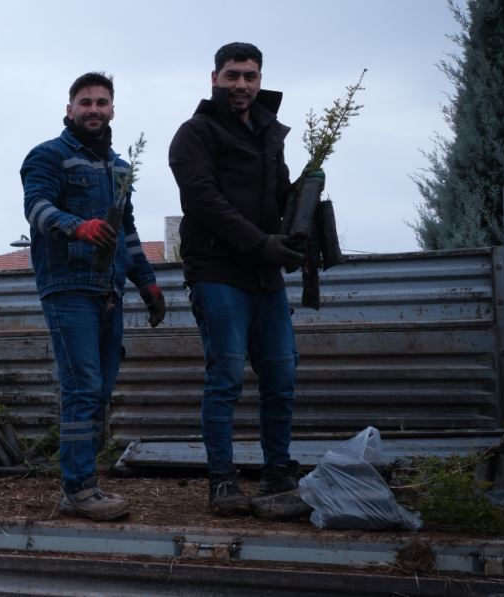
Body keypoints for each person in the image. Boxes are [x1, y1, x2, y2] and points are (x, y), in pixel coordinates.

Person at [168, 42, 307, 515]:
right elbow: (203, 200)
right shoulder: (194, 133)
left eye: (249, 76)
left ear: (260, 79)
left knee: (281, 375)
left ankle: (277, 474)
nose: (241, 85)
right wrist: (258, 242)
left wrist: (306, 208)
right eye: (232, 76)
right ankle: (223, 481)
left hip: (265, 275)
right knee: (225, 376)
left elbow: (280, 198)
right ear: (214, 79)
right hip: (218, 272)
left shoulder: (270, 133)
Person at [21, 72, 166, 521]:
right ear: (69, 109)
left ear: (112, 111)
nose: (93, 110)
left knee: (99, 390)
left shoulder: (119, 168)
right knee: (82, 387)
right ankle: (78, 488)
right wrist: (75, 226)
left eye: (102, 103)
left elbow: (128, 230)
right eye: (85, 102)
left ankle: (86, 481)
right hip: (67, 287)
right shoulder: (48, 156)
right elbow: (37, 207)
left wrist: (147, 281)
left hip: (109, 290)